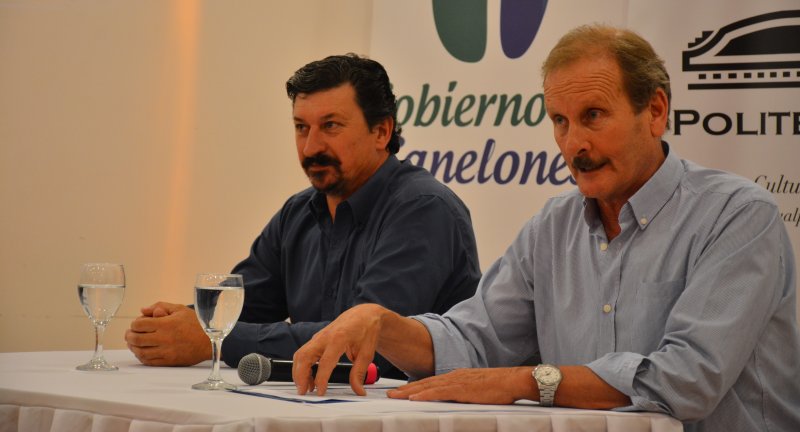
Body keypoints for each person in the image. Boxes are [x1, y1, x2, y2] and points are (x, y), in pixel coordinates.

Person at [291, 26, 800, 432]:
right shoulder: (553, 226)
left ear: (655, 111)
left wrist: (525, 382)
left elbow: (687, 380)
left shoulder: (736, 215)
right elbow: (474, 341)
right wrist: (381, 323)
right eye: (560, 120)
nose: (573, 144)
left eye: (593, 116)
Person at [125, 54, 481, 379]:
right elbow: (245, 305)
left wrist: (212, 339)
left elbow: (366, 347)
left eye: (331, 126)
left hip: (411, 413)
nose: (311, 147)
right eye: (301, 127)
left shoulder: (423, 209)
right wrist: (178, 325)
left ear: (381, 132)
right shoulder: (298, 212)